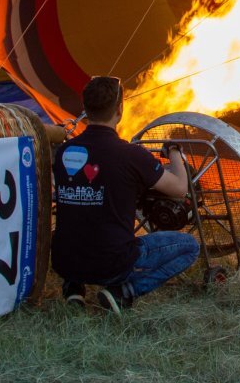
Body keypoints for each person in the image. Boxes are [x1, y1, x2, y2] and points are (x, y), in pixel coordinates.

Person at [52, 75, 200, 314]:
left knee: (80, 220)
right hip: (112, 264)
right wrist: (174, 151)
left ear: (86, 109)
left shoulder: (64, 151)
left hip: (64, 261)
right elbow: (180, 188)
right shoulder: (131, 155)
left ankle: (73, 287)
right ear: (119, 110)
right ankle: (123, 292)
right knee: (190, 246)